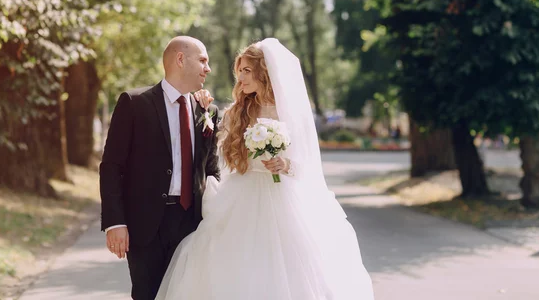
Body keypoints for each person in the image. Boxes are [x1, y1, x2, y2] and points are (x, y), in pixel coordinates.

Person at [155, 38, 374, 300]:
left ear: (264, 73)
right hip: (241, 194)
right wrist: (202, 110)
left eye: (247, 71)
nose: (241, 78)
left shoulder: (289, 111)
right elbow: (214, 150)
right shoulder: (238, 112)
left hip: (283, 199)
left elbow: (308, 164)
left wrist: (285, 164)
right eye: (240, 71)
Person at [99, 36, 221, 299]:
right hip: (145, 226)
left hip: (192, 224)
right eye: (202, 60)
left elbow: (212, 171)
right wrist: (114, 222)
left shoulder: (207, 111)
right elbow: (111, 166)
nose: (207, 68)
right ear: (180, 59)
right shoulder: (134, 103)